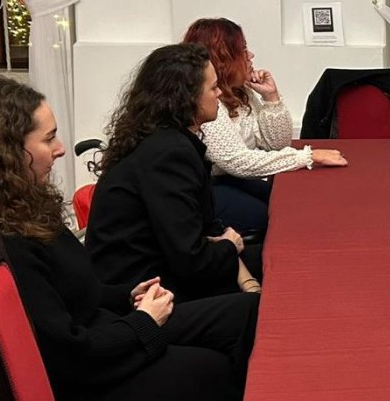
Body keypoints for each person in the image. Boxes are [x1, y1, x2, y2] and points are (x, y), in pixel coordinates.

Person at [0, 76, 255, 401]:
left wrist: (126, 296)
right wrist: (144, 322)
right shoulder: (2, 243)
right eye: (48, 139)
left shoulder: (16, 208)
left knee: (246, 312)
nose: (60, 149)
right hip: (73, 395)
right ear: (4, 153)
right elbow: (69, 355)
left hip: (99, 339)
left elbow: (71, 292)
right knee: (213, 370)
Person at [86, 43, 261, 300]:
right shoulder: (169, 153)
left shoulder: (163, 140)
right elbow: (191, 259)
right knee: (275, 273)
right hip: (146, 292)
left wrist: (242, 273)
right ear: (187, 98)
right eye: (213, 87)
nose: (220, 93)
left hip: (164, 271)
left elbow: (201, 238)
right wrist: (228, 248)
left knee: (275, 257)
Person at [181, 18, 346, 239]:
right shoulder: (207, 104)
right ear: (223, 60)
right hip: (206, 189)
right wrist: (308, 156)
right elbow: (237, 161)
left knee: (289, 201)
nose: (250, 56)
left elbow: (276, 144)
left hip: (232, 179)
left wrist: (271, 98)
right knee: (276, 218)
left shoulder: (241, 93)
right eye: (243, 51)